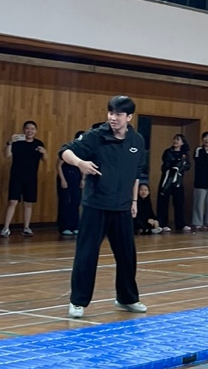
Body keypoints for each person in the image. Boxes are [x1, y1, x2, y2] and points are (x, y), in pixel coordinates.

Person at [60, 95, 147, 317]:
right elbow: (65, 151)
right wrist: (80, 163)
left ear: (129, 117)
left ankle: (127, 298)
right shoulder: (96, 136)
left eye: (118, 114)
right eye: (110, 113)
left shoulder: (137, 141)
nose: (113, 118)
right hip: (96, 205)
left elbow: (136, 173)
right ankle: (78, 301)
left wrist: (134, 201)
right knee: (87, 254)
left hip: (122, 207)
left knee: (127, 256)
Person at [1, 121, 47, 237]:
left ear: (36, 131)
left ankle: (26, 227)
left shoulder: (38, 143)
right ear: (23, 130)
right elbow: (7, 155)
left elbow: (45, 159)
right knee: (13, 202)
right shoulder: (17, 143)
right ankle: (6, 228)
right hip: (16, 177)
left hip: (31, 178)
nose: (30, 131)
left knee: (28, 203)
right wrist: (9, 142)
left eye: (32, 129)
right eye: (27, 128)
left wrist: (44, 152)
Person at [157, 134, 190, 233]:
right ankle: (163, 224)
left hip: (178, 181)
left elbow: (188, 166)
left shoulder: (185, 154)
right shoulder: (168, 152)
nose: (176, 141)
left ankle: (180, 224)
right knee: (163, 203)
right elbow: (167, 163)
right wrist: (177, 163)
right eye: (175, 139)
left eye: (178, 140)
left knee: (179, 203)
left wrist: (181, 164)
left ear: (182, 143)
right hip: (167, 180)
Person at [56, 139, 82, 238]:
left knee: (76, 201)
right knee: (65, 202)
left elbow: (82, 166)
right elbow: (58, 166)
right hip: (66, 177)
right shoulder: (68, 150)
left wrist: (83, 179)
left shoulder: (82, 152)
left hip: (76, 177)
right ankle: (64, 226)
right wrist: (63, 180)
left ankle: (74, 226)